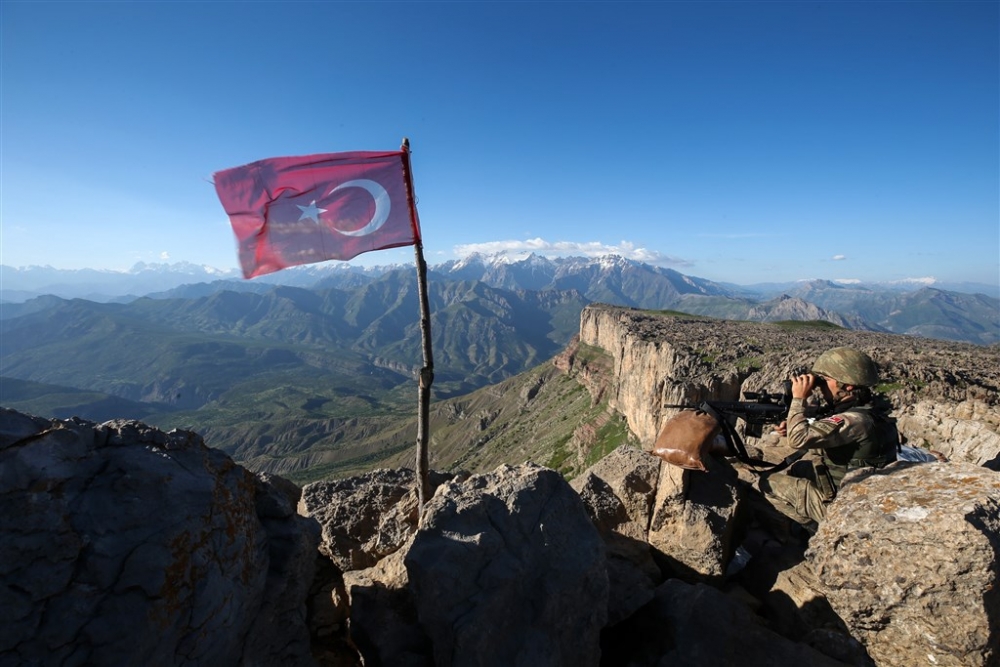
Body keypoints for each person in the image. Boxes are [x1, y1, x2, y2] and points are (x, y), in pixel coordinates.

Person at [757, 346, 899, 530]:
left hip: (848, 508)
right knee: (800, 468)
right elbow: (826, 427)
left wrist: (798, 399)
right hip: (865, 493)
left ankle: (820, 530)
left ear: (848, 386)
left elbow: (798, 440)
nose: (821, 386)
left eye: (825, 381)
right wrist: (794, 421)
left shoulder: (854, 420)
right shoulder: (871, 410)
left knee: (767, 483)